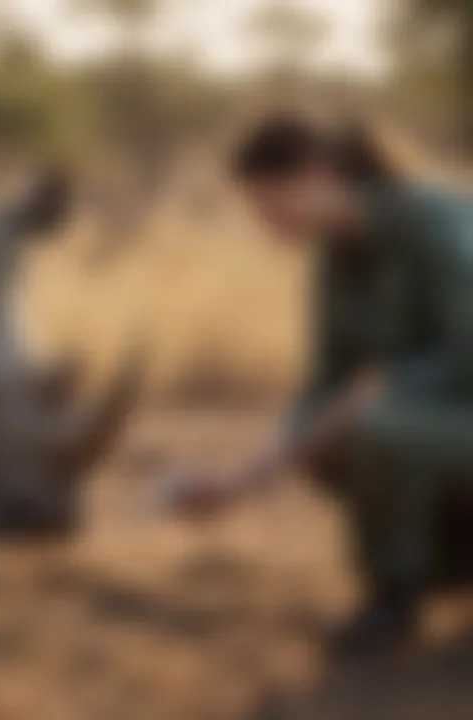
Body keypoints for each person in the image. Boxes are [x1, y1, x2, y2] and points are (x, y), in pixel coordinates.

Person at [170, 112, 473, 658]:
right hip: (445, 423)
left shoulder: (435, 221)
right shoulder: (335, 257)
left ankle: (394, 599)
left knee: (378, 430)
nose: (267, 225)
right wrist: (249, 475)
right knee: (326, 440)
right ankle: (438, 574)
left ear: (315, 172)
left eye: (270, 203)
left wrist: (386, 389)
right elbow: (325, 381)